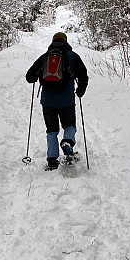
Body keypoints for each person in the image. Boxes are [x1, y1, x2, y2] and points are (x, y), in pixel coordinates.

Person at [26, 32, 88, 170]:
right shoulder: (73, 57)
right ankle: (67, 142)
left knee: (52, 130)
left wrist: (38, 76)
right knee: (69, 125)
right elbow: (83, 75)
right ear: (66, 41)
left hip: (48, 101)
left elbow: (29, 77)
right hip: (67, 101)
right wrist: (80, 91)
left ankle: (53, 160)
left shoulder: (45, 57)